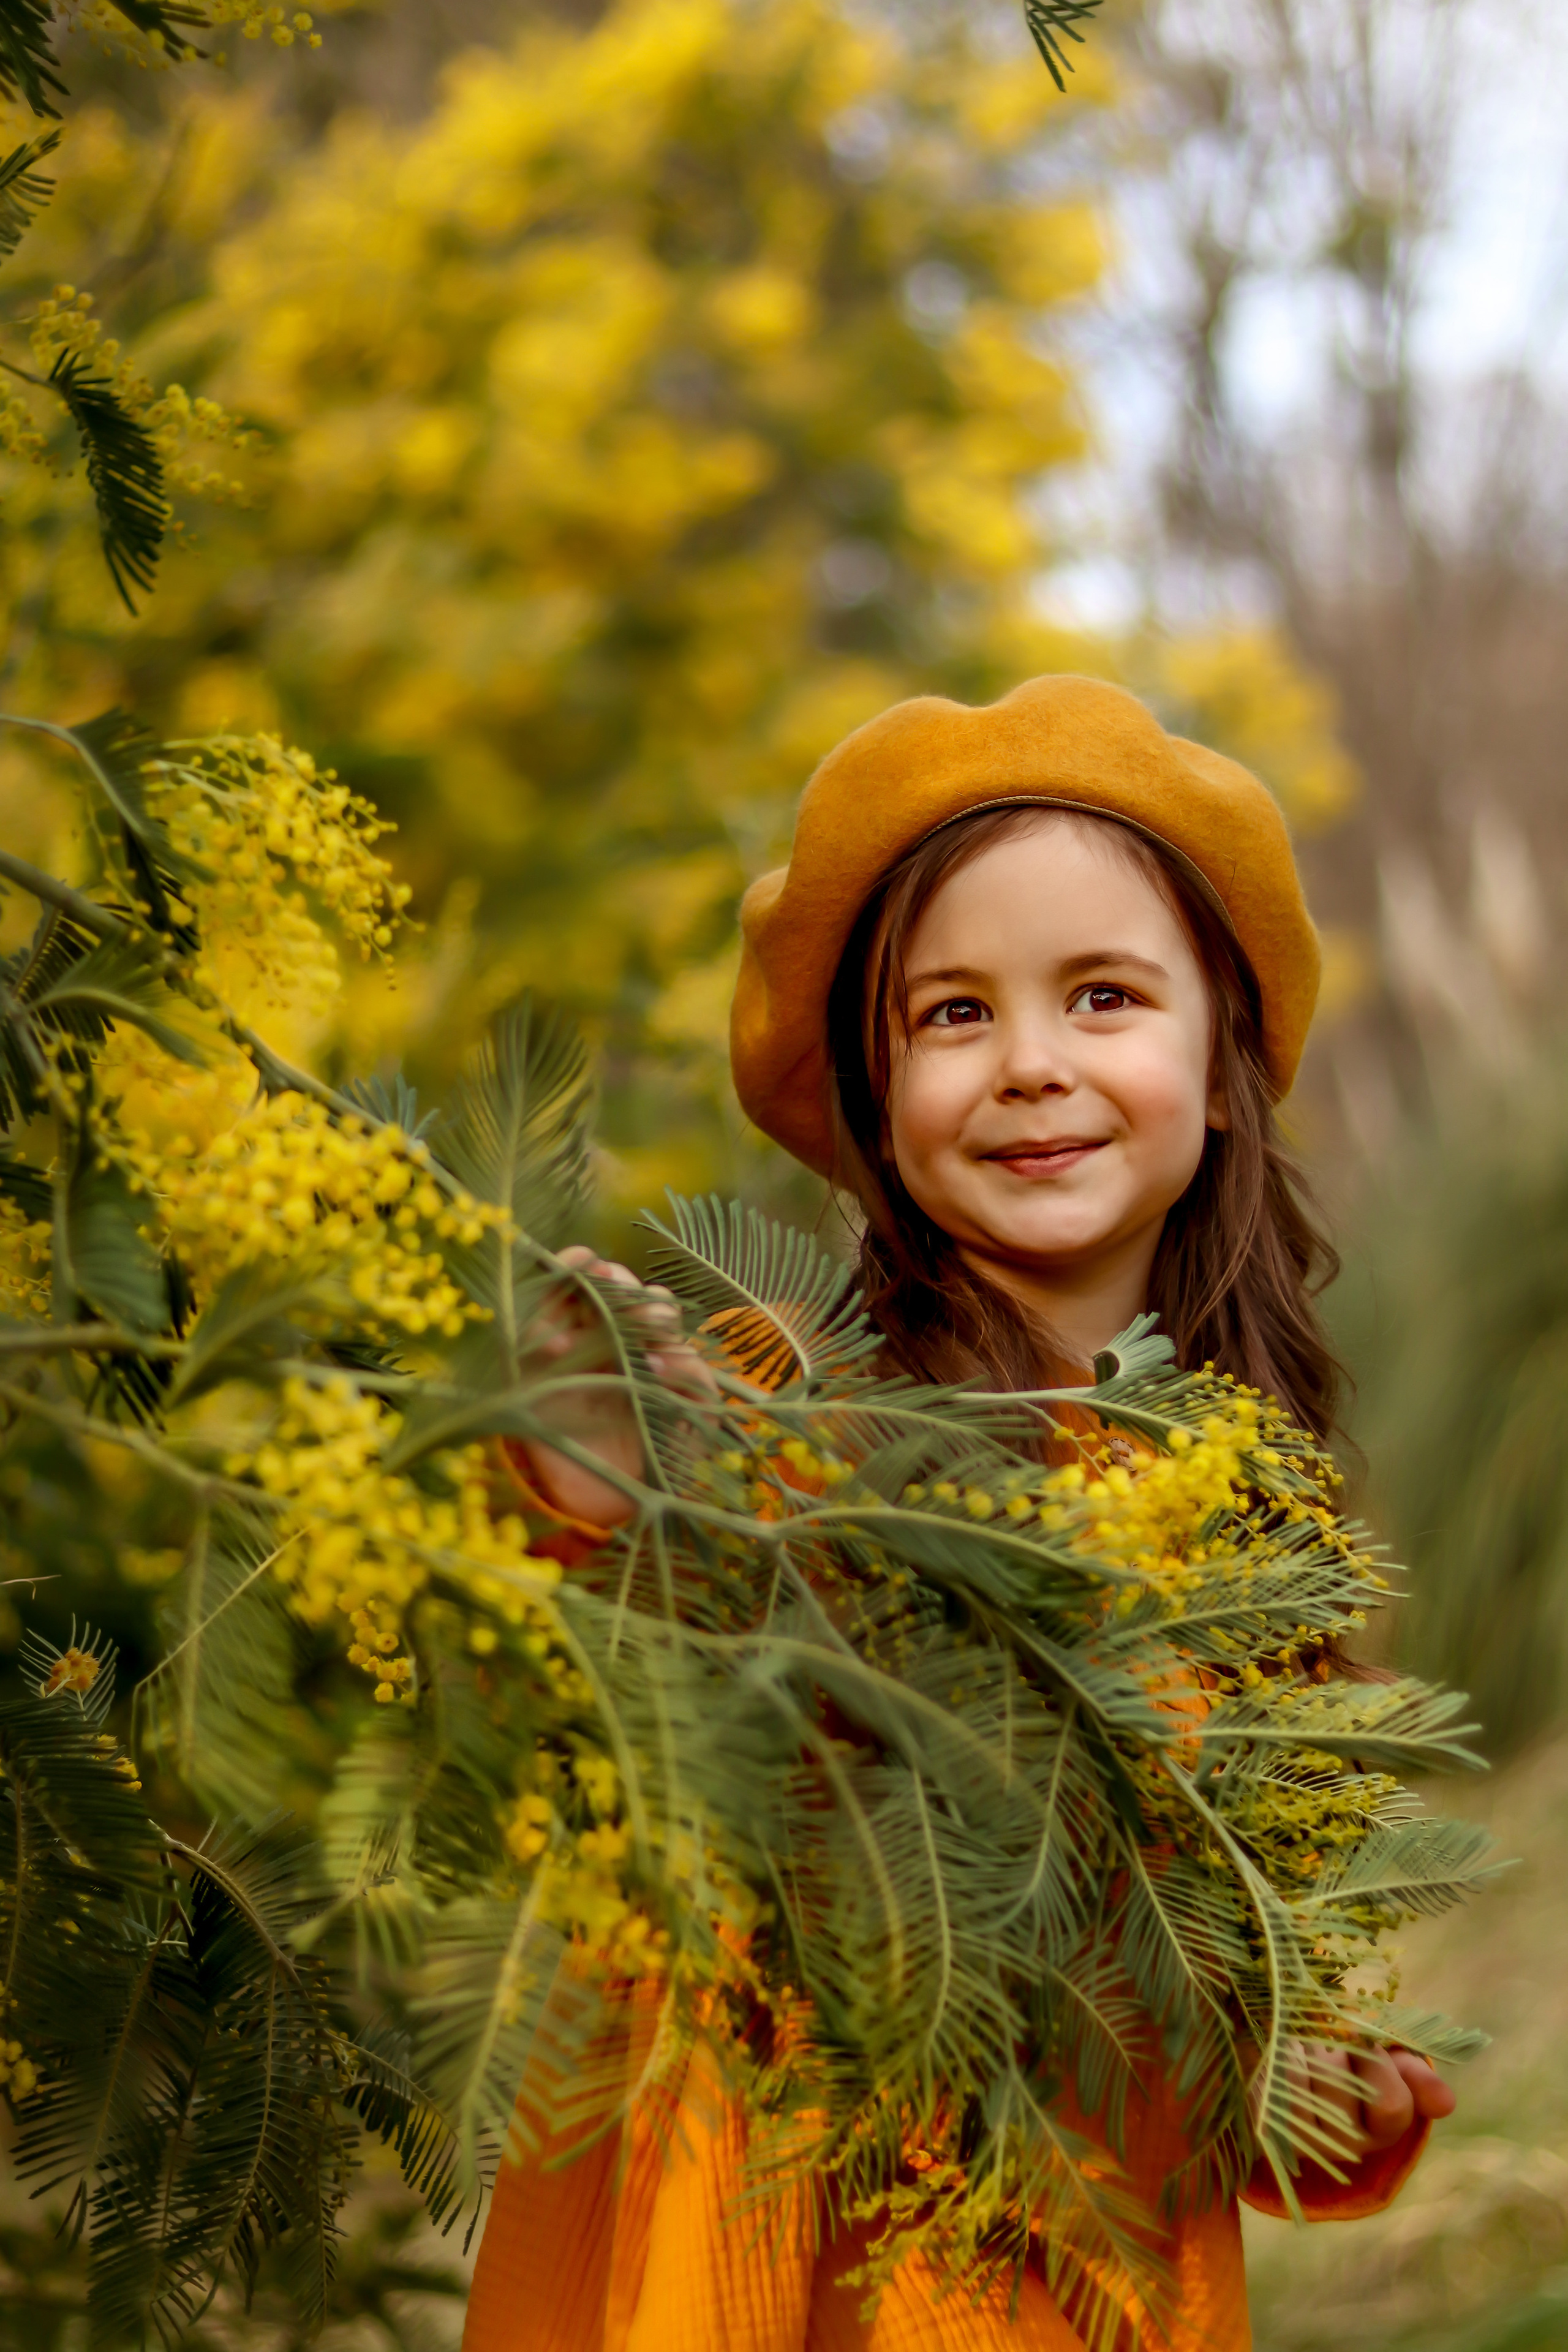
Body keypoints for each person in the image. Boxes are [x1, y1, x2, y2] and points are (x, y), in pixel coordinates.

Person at [462, 675, 1456, 2352]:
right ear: (876, 1094)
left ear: (1222, 1069)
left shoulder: (1252, 1512)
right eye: (953, 1015)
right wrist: (584, 1487)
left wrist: (1319, 2085)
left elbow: (1227, 1981)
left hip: (1078, 2272)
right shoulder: (783, 1396)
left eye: (1103, 996)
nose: (1033, 1066)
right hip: (756, 2248)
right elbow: (607, 1678)